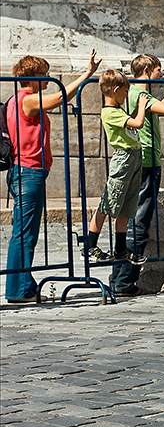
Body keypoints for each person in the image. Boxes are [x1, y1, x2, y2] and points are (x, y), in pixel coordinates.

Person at [5, 51, 101, 304]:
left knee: (25, 232)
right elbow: (59, 96)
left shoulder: (19, 100)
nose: (48, 78)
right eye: (44, 74)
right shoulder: (26, 100)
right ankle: (18, 289)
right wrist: (87, 74)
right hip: (28, 172)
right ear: (32, 77)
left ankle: (24, 284)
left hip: (27, 171)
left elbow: (58, 97)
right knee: (24, 233)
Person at [115, 55, 164, 297]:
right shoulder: (140, 95)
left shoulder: (129, 93)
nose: (161, 75)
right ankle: (126, 282)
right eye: (159, 71)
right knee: (139, 224)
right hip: (146, 162)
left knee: (127, 222)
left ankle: (119, 278)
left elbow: (160, 107)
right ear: (147, 70)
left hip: (132, 161)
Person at [82, 69, 150, 269]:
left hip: (135, 157)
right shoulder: (109, 112)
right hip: (124, 159)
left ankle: (121, 249)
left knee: (127, 206)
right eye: (126, 91)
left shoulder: (119, 110)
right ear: (116, 89)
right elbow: (137, 123)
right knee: (109, 202)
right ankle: (90, 246)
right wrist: (142, 106)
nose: (127, 95)